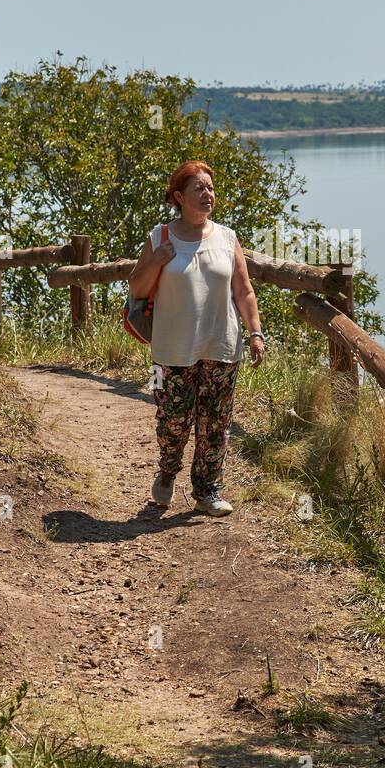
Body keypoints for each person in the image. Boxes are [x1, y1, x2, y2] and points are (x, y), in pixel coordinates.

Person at [128, 160, 264, 516]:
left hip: (221, 345)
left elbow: (244, 291)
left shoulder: (227, 237)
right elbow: (138, 288)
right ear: (179, 197)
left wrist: (255, 333)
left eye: (211, 188)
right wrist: (157, 260)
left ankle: (208, 490)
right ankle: (168, 471)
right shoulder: (160, 237)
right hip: (170, 349)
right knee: (172, 419)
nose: (208, 194)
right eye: (199, 189)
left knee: (215, 422)